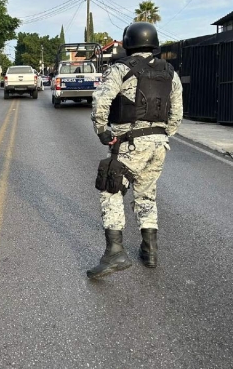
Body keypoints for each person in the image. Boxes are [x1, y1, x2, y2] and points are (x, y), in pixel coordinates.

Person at [88, 22, 183, 279]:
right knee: (146, 194)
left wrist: (102, 131)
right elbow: (177, 113)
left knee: (111, 189)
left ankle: (114, 252)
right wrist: (163, 134)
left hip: (130, 141)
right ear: (153, 43)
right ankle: (149, 250)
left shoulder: (121, 68)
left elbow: (101, 100)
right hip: (159, 144)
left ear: (128, 43)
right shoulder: (169, 73)